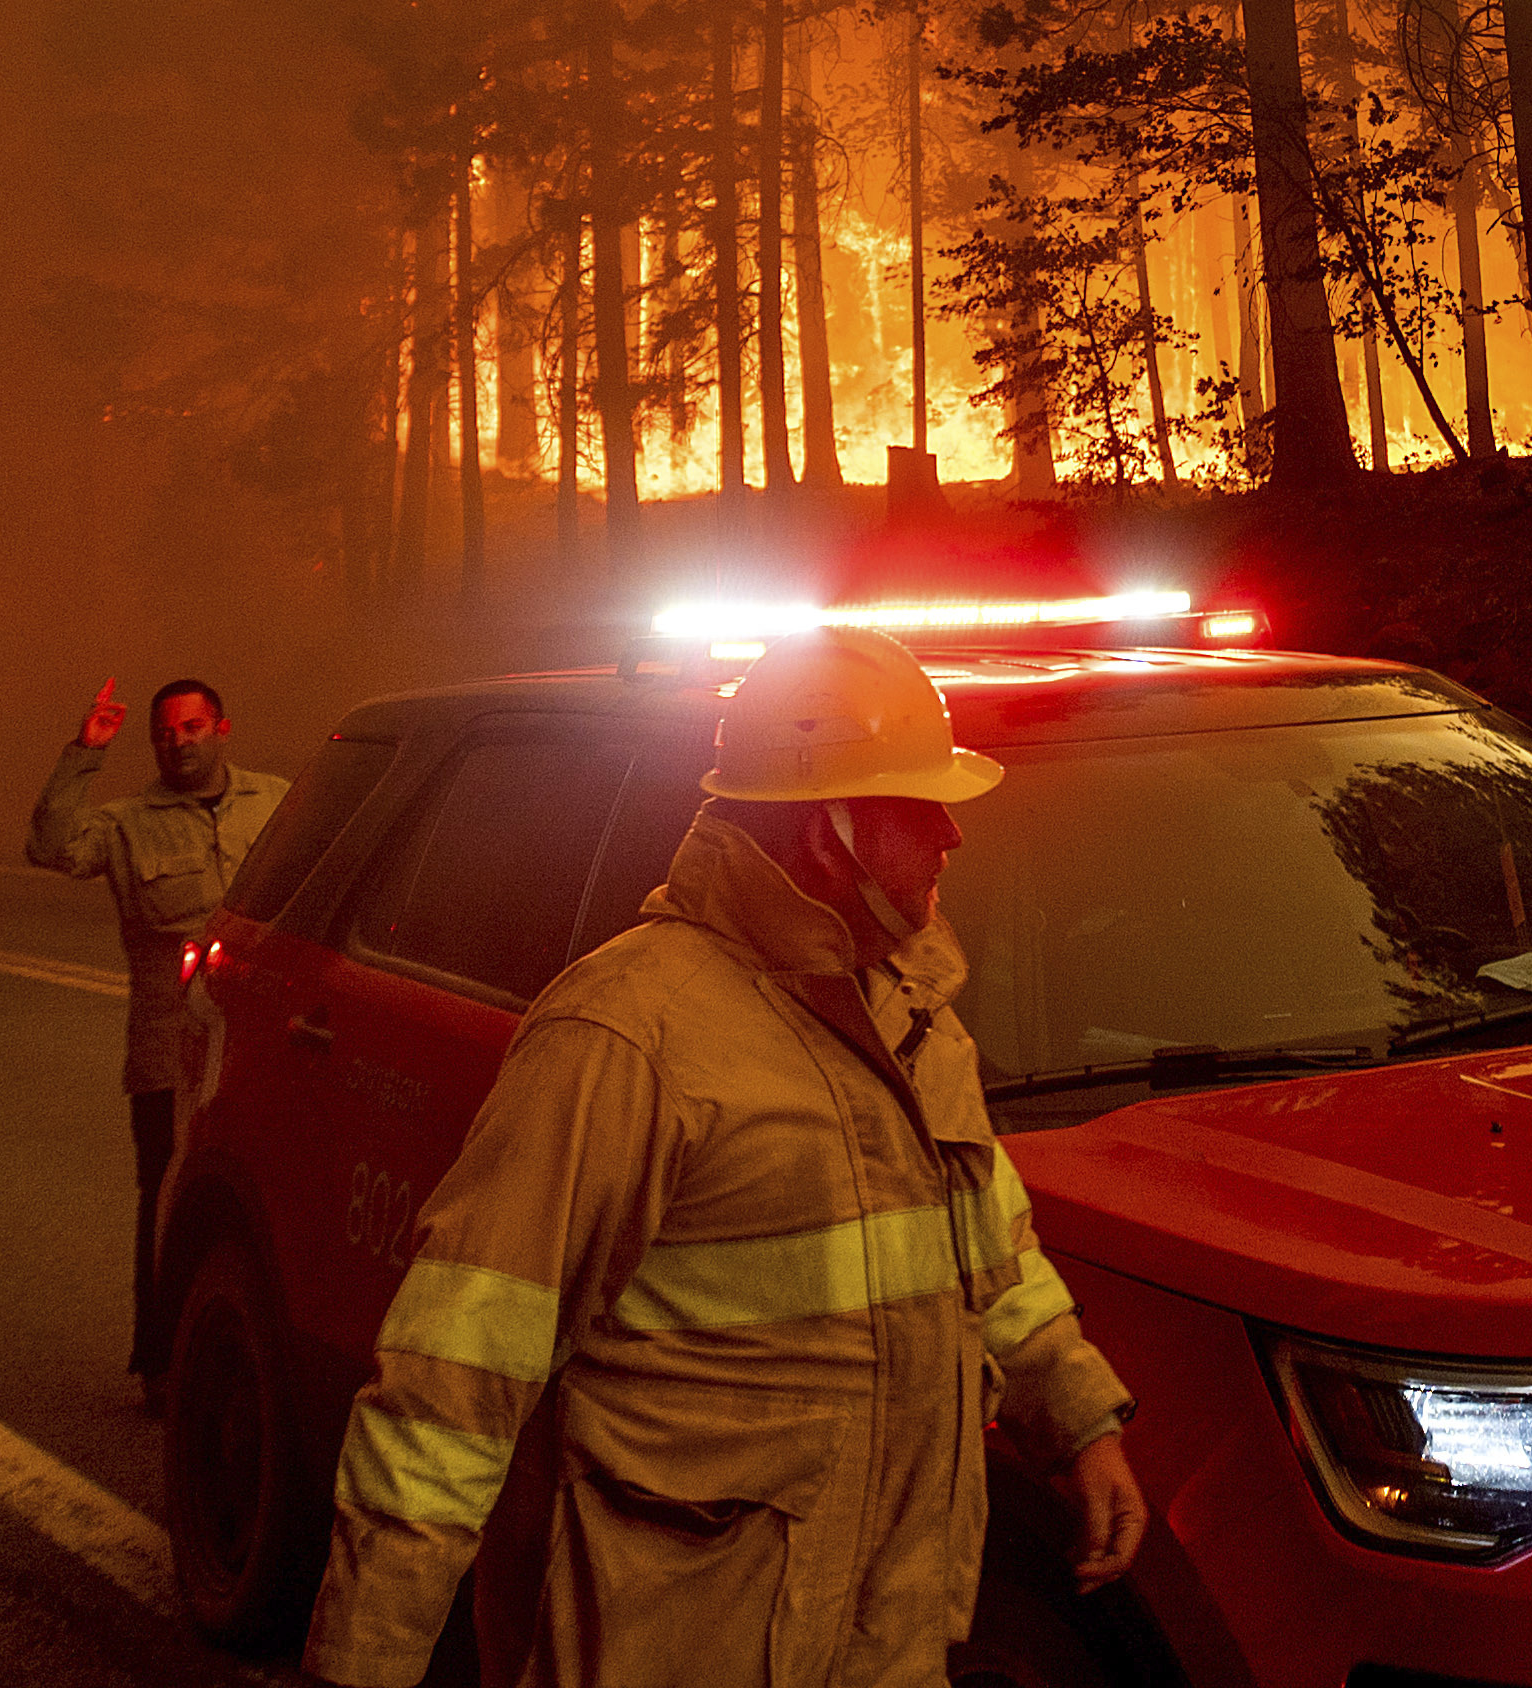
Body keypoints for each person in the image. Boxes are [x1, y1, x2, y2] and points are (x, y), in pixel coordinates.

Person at [298, 625, 1147, 1688]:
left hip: (875, 1643)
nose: (950, 838)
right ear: (824, 834)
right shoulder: (627, 1036)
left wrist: (1076, 1421)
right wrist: (365, 1660)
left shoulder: (911, 1013)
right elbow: (450, 1381)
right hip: (674, 1643)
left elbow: (990, 1249)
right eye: (914, 808)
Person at [31, 672, 288, 1396]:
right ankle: (162, 1361)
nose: (178, 743)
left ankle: (256, 1354)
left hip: (258, 1043)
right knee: (168, 1198)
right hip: (167, 1050)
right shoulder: (125, 823)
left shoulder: (273, 803)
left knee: (270, 1199)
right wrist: (84, 752)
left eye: (192, 728)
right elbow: (50, 847)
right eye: (165, 733)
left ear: (222, 728)